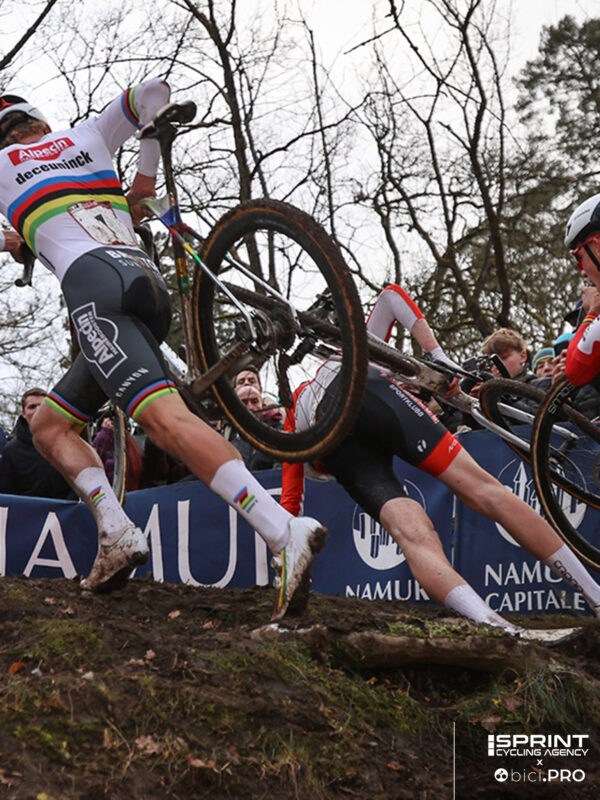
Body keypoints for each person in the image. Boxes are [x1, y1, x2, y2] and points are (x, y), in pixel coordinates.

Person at [0, 84, 325, 617]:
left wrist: (17, 239)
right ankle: (116, 530)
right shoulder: (86, 137)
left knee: (165, 422)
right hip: (146, 288)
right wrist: (150, 134)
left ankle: (282, 530)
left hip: (95, 293)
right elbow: (151, 99)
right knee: (51, 426)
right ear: (38, 122)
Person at [279, 284, 600, 637]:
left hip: (337, 448)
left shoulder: (297, 409)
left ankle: (493, 626)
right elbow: (390, 296)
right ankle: (595, 596)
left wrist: (288, 560)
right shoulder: (347, 353)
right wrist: (438, 355)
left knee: (414, 536)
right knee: (487, 491)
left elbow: (291, 500)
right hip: (366, 390)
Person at [0, 388, 72, 498]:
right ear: (23, 413)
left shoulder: (68, 444)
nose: (38, 410)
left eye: (42, 406)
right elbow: (6, 494)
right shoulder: (11, 450)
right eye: (32, 406)